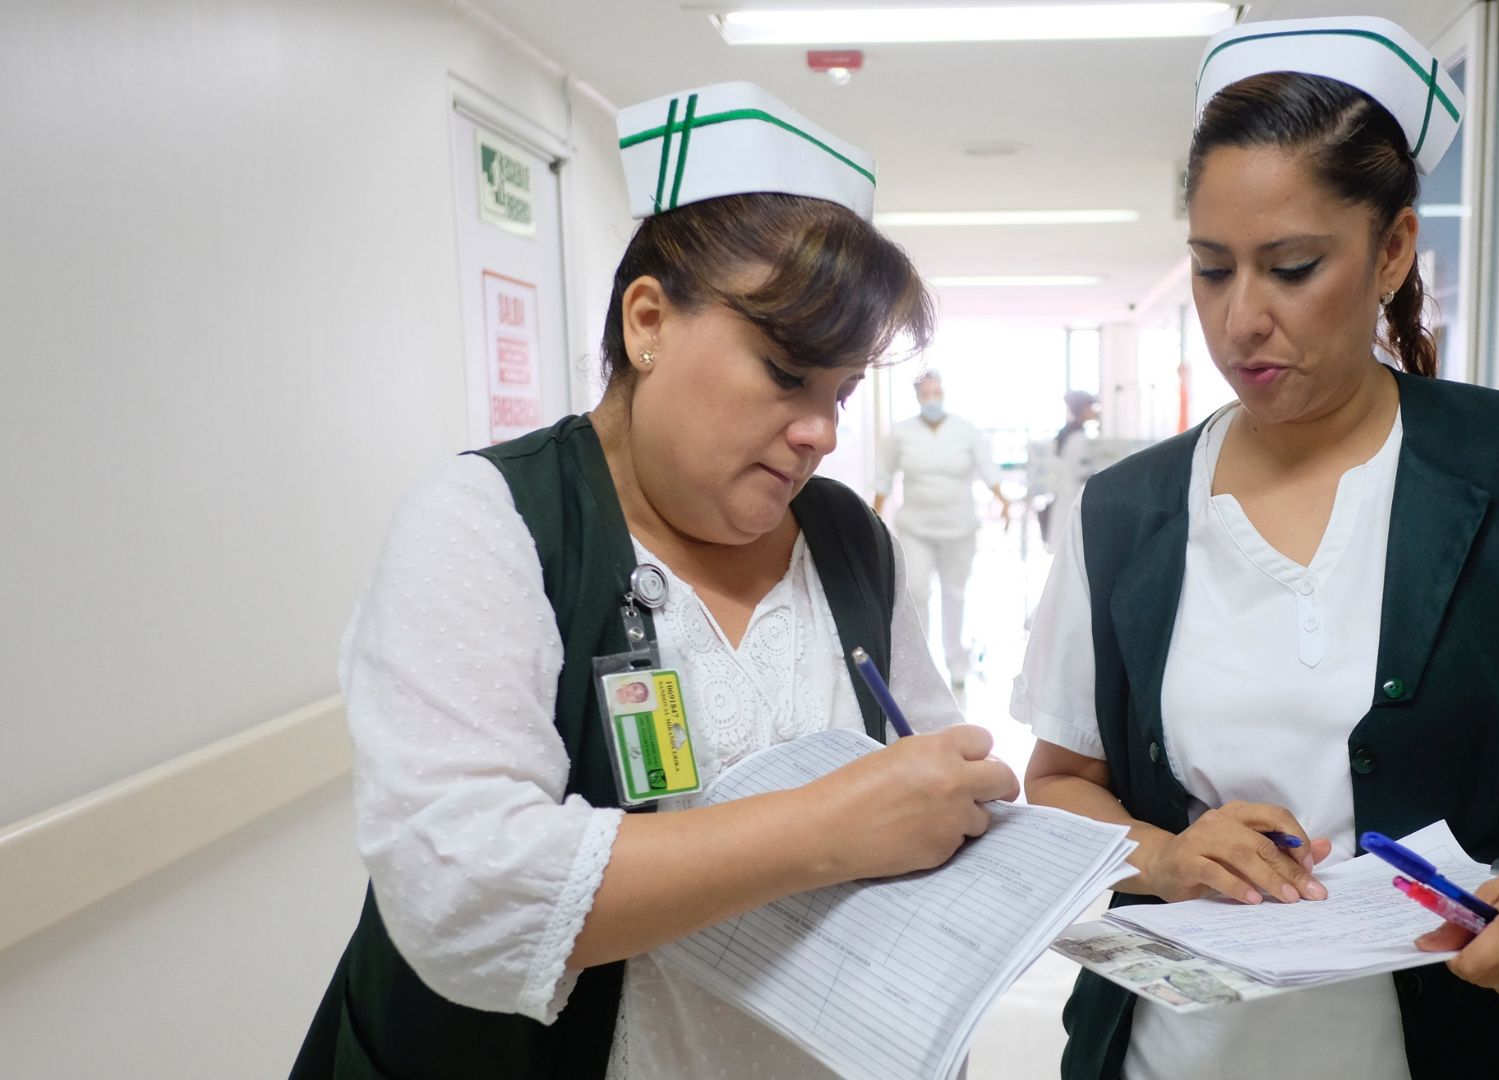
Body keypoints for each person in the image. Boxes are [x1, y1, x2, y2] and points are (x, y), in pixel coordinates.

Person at [291, 82, 1018, 1080]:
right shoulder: (494, 523)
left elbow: (920, 757)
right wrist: (829, 828)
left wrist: (966, 806)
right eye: (785, 373)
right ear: (648, 321)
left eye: (842, 392)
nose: (823, 431)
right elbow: (462, 888)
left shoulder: (848, 540)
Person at [1015, 18, 1499, 1080]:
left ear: (1391, 250)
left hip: (1481, 1047)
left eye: (1291, 268)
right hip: (1179, 1053)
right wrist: (1168, 854)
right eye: (1209, 269)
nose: (1242, 319)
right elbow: (1057, 782)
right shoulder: (1125, 513)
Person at [873, 370, 1012, 688]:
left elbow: (988, 470)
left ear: (944, 394)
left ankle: (956, 662)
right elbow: (884, 476)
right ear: (918, 397)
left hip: (958, 527)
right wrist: (874, 517)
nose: (931, 399)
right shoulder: (902, 433)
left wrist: (1003, 501)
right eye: (926, 394)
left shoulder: (966, 431)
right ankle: (920, 667)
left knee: (955, 594)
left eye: (937, 392)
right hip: (916, 528)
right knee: (917, 591)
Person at [1042, 389, 1100, 551]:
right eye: (1091, 407)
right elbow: (1083, 473)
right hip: (1073, 498)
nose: (1094, 411)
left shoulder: (1066, 433)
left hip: (1066, 498)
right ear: (1083, 409)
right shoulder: (1078, 438)